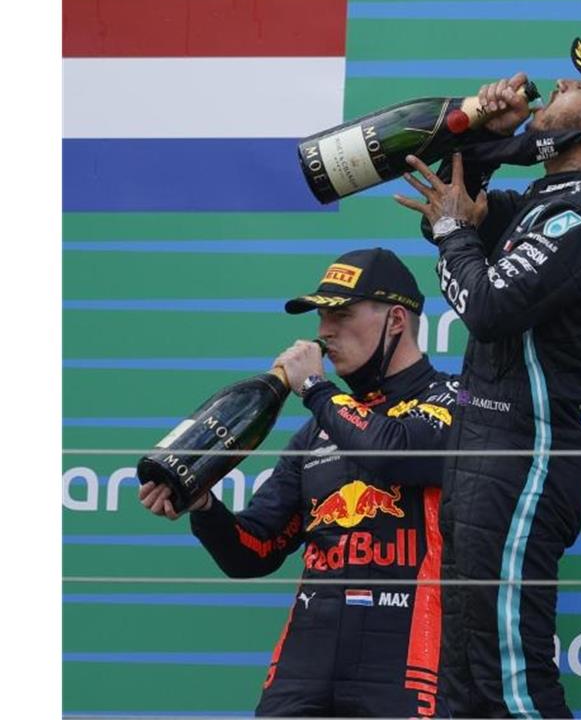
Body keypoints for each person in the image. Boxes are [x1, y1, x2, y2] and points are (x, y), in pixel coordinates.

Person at [392, 37, 581, 717]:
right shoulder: (558, 198)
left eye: (579, 87)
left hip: (526, 453)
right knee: (464, 684)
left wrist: (454, 236)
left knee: (509, 684)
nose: (558, 84)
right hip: (487, 448)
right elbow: (459, 181)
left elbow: (487, 306)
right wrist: (487, 129)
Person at [138, 248, 458, 718]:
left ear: (395, 321)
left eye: (341, 314)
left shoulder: (456, 398)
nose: (324, 331)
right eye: (321, 316)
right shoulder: (314, 433)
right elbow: (254, 551)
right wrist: (204, 506)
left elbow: (393, 453)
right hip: (307, 660)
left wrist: (314, 388)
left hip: (407, 653)